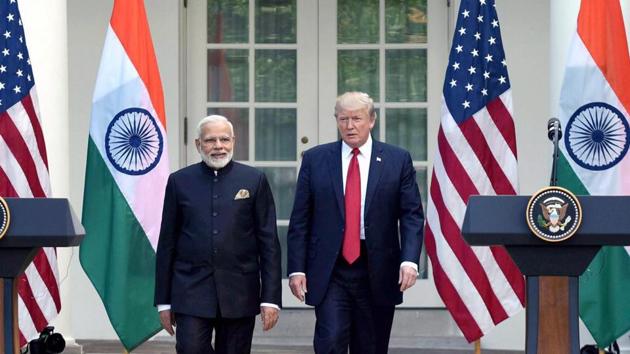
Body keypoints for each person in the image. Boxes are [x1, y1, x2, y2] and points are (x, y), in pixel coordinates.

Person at [287, 92, 424, 354]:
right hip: (331, 268)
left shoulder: (397, 160)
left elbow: (411, 215)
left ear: (371, 120)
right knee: (330, 341)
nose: (349, 126)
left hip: (378, 267)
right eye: (343, 119)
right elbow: (301, 218)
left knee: (371, 345)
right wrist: (296, 269)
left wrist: (409, 260)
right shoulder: (316, 159)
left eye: (357, 119)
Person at [155, 115, 282, 354]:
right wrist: (163, 301)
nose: (218, 146)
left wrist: (271, 298)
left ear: (233, 141)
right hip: (190, 289)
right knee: (190, 349)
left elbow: (269, 244)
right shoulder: (179, 181)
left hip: (240, 290)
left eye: (224, 139)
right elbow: (167, 244)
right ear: (198, 144)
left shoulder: (254, 180)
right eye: (210, 140)